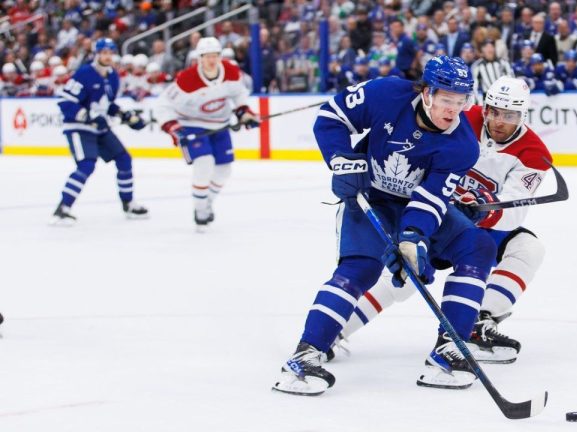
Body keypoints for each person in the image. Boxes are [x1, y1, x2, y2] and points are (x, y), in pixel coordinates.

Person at [273, 56, 498, 396]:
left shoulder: (463, 145)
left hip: (414, 205)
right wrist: (342, 161)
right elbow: (331, 117)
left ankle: (451, 349)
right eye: (446, 100)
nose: (453, 110)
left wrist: (413, 240)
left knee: (477, 247)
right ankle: (306, 354)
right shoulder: (386, 94)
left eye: (461, 101)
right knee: (360, 271)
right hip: (371, 198)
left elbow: (430, 200)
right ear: (427, 93)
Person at [333, 76, 551, 365]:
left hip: (481, 226)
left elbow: (513, 210)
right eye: (494, 111)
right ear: (484, 107)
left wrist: (485, 210)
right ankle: (332, 332)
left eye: (509, 115)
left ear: (523, 115)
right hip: (435, 215)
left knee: (528, 248)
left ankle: (478, 322)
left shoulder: (534, 154)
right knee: (403, 279)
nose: (499, 121)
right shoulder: (459, 119)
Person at [155, 37, 260, 230]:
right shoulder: (187, 79)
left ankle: (207, 202)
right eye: (207, 56)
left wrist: (244, 112)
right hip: (191, 125)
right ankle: (200, 209)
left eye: (215, 56)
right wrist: (173, 127)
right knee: (204, 164)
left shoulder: (231, 71)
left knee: (224, 170)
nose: (212, 60)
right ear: (200, 58)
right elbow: (162, 105)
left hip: (219, 124)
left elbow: (238, 94)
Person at [51, 38, 148, 225]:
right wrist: (87, 116)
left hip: (100, 128)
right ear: (96, 54)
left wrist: (124, 115)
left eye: (110, 53)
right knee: (87, 165)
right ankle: (62, 208)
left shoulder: (113, 76)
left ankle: (128, 204)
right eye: (103, 53)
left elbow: (106, 105)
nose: (107, 56)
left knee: (124, 159)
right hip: (79, 128)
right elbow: (65, 102)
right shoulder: (84, 74)